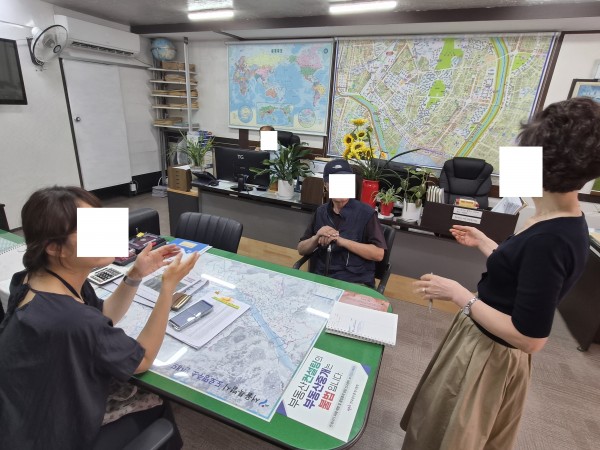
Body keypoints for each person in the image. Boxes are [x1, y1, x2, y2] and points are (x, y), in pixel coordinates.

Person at [400, 97, 600, 450]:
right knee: (436, 421)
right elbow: (524, 275)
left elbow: (530, 338)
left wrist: (460, 295)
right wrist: (486, 243)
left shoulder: (553, 239)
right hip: (480, 337)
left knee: (454, 433)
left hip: (490, 354)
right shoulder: (553, 218)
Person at [0, 186, 200, 450]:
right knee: (158, 403)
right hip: (45, 433)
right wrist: (167, 289)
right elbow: (142, 360)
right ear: (54, 248)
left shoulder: (36, 278)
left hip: (23, 409)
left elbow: (104, 314)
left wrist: (135, 274)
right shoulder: (73, 319)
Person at [298, 159, 386, 287]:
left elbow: (378, 254)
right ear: (326, 185)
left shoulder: (366, 213)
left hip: (354, 282)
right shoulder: (321, 212)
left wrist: (341, 241)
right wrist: (316, 238)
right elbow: (301, 249)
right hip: (322, 279)